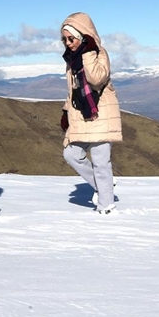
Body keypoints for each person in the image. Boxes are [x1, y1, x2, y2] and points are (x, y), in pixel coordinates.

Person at [60, 13, 123, 213]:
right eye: (65, 39)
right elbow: (74, 89)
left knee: (100, 161)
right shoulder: (71, 60)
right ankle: (103, 186)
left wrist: (88, 51)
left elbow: (96, 79)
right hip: (82, 115)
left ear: (84, 36)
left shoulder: (98, 53)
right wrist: (65, 111)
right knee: (71, 154)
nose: (68, 43)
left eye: (72, 38)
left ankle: (106, 207)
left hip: (101, 114)